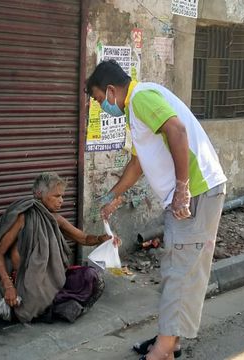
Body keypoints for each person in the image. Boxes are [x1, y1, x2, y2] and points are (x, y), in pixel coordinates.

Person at [86, 60, 227, 360]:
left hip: (198, 192)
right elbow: (138, 163)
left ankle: (163, 350)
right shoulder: (137, 109)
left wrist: (182, 187)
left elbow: (176, 131)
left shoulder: (140, 98)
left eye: (100, 99)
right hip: (194, 192)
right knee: (177, 268)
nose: (102, 107)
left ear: (111, 90)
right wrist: (113, 195)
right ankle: (169, 340)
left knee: (180, 270)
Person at [0, 172, 116, 323]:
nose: (61, 201)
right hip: (26, 283)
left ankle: (53, 306)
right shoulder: (23, 217)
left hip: (52, 280)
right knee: (33, 302)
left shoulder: (55, 218)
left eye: (62, 196)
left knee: (91, 277)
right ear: (38, 194)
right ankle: (54, 307)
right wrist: (8, 286)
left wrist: (102, 239)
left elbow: (83, 238)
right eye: (56, 196)